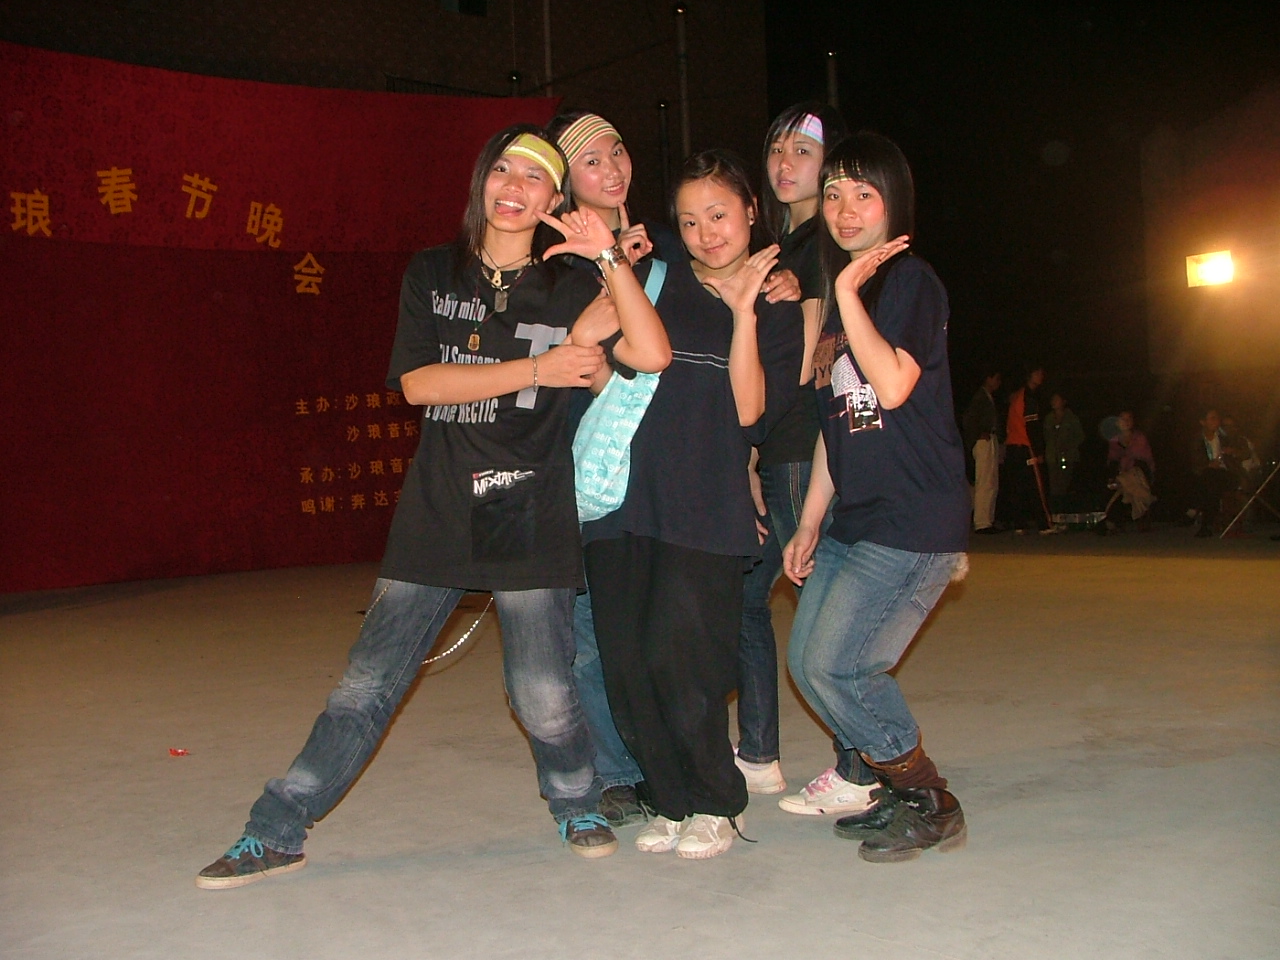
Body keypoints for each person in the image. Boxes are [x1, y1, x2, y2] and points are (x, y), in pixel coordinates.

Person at [195, 124, 671, 889]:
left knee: (543, 694)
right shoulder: (431, 272)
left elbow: (650, 354)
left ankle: (576, 799)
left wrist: (610, 258)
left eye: (535, 177)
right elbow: (419, 384)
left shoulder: (573, 285)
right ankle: (276, 828)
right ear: (483, 179)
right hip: (440, 505)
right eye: (504, 169)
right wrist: (539, 367)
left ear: (554, 199)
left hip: (527, 506)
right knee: (367, 683)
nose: (515, 187)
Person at [583, 149, 802, 860]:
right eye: (689, 220)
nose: (707, 233)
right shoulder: (657, 276)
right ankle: (671, 800)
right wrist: (618, 266)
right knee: (627, 666)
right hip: (621, 496)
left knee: (685, 663)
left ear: (750, 213)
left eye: (719, 214)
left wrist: (741, 312)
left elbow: (749, 414)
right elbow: (591, 345)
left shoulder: (777, 305)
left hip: (705, 504)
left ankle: (716, 801)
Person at [783, 132, 970, 863]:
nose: (845, 208)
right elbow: (839, 424)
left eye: (864, 193)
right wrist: (809, 520)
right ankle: (893, 787)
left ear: (894, 203)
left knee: (842, 667)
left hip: (912, 517)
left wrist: (847, 294)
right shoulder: (841, 306)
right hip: (852, 519)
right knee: (809, 663)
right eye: (833, 193)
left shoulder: (911, 283)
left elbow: (890, 384)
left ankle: (929, 800)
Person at [544, 109, 678, 828]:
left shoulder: (667, 250)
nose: (612, 168)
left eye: (617, 151)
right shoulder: (559, 264)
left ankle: (676, 759)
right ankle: (619, 771)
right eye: (591, 161)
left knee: (665, 626)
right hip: (590, 470)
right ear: (567, 184)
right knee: (593, 634)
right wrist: (607, 267)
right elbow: (574, 358)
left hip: (666, 461)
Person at [736, 101, 848, 800]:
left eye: (802, 152)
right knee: (746, 596)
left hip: (804, 445)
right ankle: (758, 752)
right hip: (779, 445)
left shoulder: (823, 245)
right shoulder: (786, 245)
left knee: (826, 607)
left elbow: (806, 363)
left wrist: (751, 448)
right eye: (777, 150)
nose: (785, 163)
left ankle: (862, 762)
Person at [1004, 366, 1049, 532]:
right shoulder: (1028, 397)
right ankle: (1044, 524)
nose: (1041, 376)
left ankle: (1019, 523)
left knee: (1019, 486)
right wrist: (1038, 451)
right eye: (1037, 373)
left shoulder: (1018, 395)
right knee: (1036, 486)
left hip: (1013, 445)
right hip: (1025, 444)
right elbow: (1032, 427)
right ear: (1029, 375)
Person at [1189, 408, 1245, 537]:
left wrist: (1233, 451)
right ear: (1203, 422)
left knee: (1210, 480)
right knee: (1210, 479)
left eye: (1217, 418)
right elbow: (1194, 461)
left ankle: (1201, 518)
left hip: (1228, 473)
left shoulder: (1225, 436)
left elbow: (1245, 452)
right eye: (1212, 418)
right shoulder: (1197, 439)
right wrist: (1208, 464)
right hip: (1207, 475)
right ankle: (1207, 523)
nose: (1216, 421)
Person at [960, 368, 1003, 533]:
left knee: (991, 482)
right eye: (996, 378)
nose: (998, 383)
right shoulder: (979, 397)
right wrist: (978, 434)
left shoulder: (988, 397)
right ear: (988, 379)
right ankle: (981, 522)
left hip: (990, 439)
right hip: (983, 441)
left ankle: (988, 519)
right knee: (984, 481)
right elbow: (968, 420)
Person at [1100, 410, 1155, 532]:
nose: (1126, 422)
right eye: (1123, 419)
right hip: (1122, 474)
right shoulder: (1114, 441)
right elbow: (1112, 460)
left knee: (1128, 481)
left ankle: (1117, 520)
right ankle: (1114, 519)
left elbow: (1142, 459)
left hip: (1139, 473)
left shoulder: (1139, 438)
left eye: (1128, 419)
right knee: (1117, 483)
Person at [1043, 391, 1085, 509]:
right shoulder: (1048, 418)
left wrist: (1069, 446)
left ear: (1063, 402)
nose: (1054, 402)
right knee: (1053, 485)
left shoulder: (1071, 418)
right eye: (1053, 399)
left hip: (1068, 456)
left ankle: (1064, 507)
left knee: (1065, 483)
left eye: (1057, 399)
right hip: (1052, 457)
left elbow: (1080, 436)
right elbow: (1045, 437)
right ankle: (1055, 509)